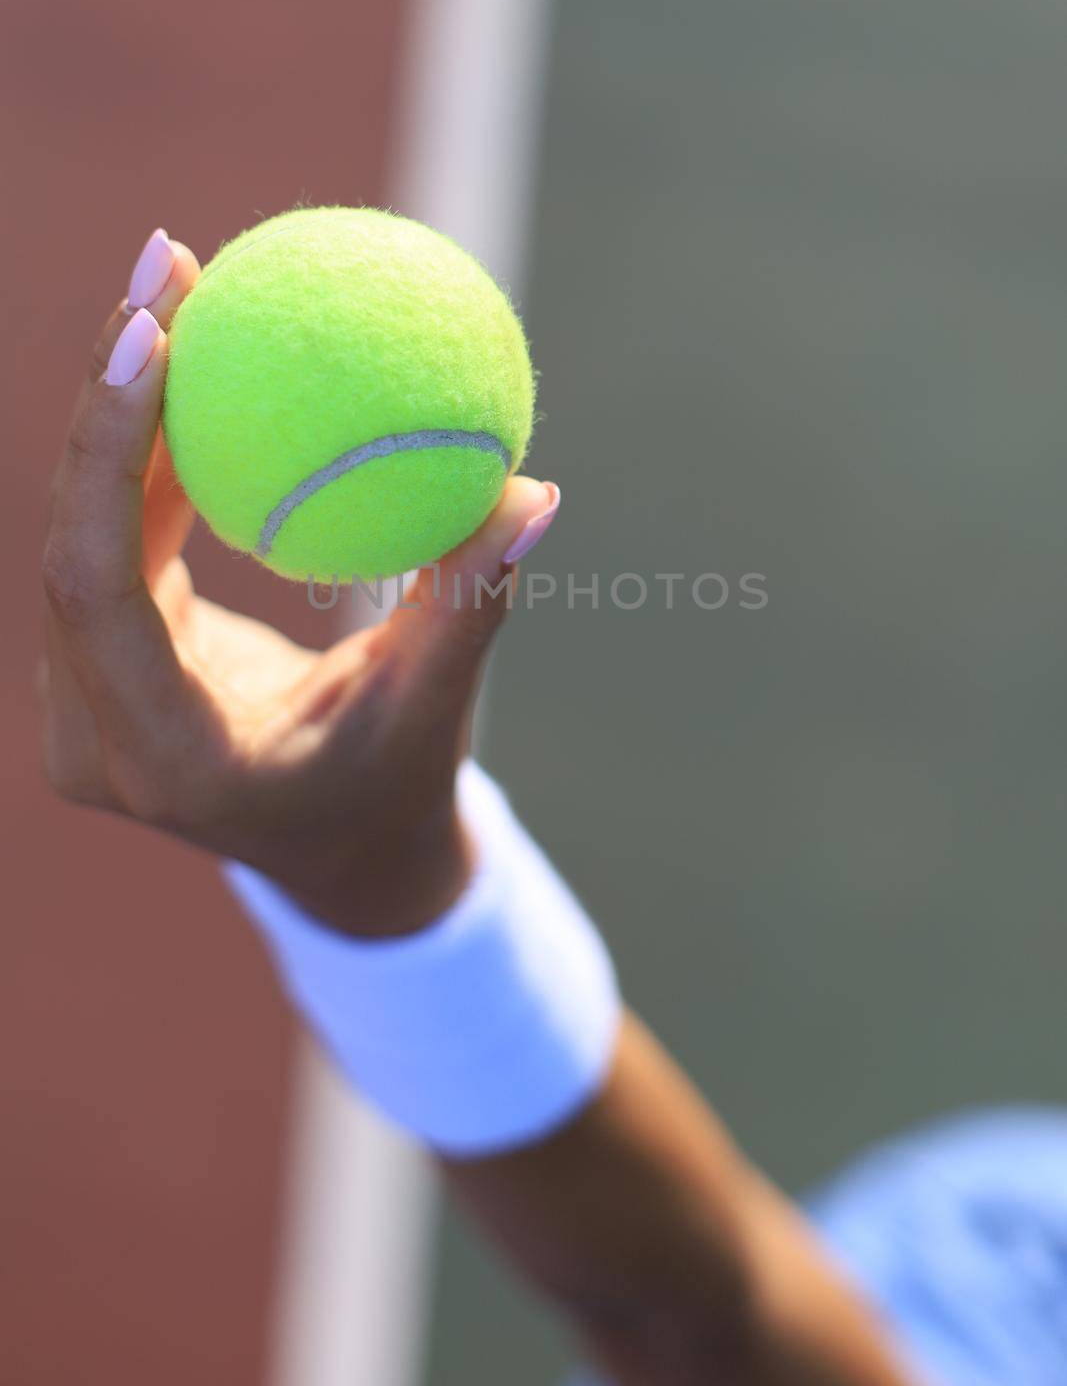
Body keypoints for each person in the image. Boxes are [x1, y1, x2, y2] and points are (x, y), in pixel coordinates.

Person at [39, 231, 1067, 1386]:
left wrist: (397, 916)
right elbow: (704, 1319)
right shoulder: (1017, 1235)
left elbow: (700, 1324)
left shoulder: (1007, 1234)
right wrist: (388, 900)